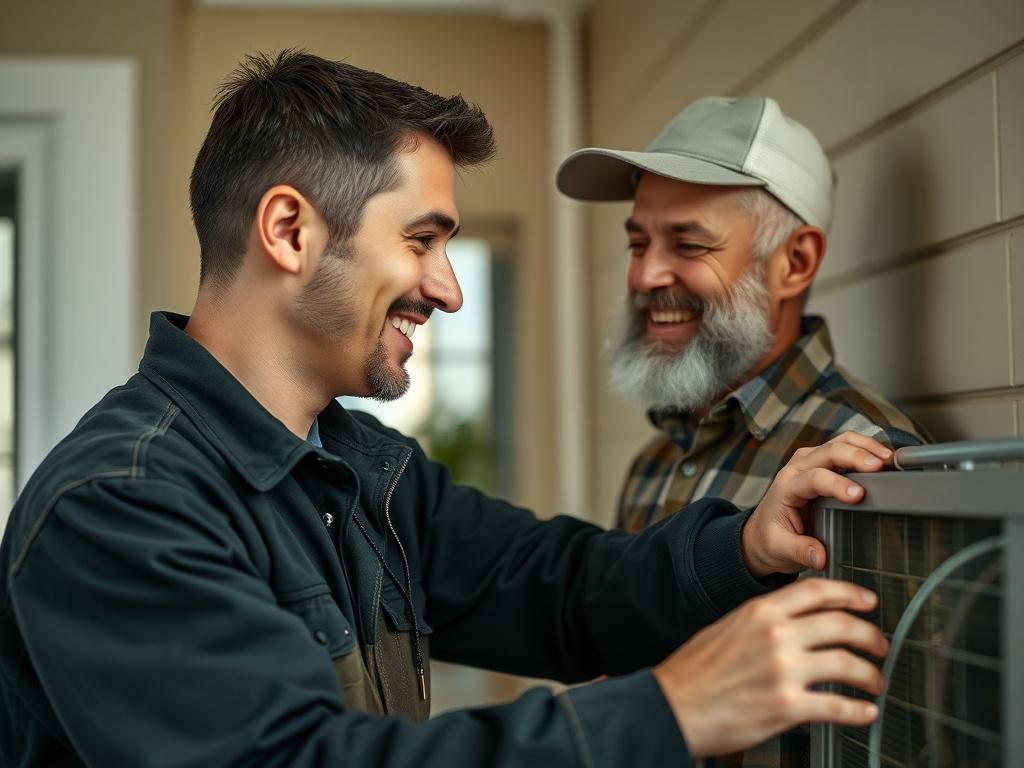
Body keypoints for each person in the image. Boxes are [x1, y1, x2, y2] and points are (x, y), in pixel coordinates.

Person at [0, 52, 891, 767]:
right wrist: (675, 709)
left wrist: (740, 546)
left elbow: (564, 591)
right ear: (288, 230)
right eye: (421, 240)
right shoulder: (122, 503)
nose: (449, 290)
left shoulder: (365, 473)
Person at [556, 96, 927, 535]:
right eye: (638, 245)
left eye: (690, 244)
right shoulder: (653, 465)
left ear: (795, 263)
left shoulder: (865, 461)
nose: (645, 275)